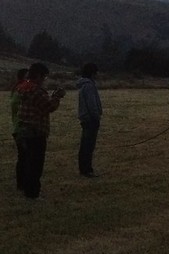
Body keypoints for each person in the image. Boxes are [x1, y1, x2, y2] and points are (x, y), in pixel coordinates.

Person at [15, 62, 64, 200]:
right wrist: (57, 96)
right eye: (44, 77)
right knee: (36, 163)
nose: (44, 80)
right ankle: (32, 193)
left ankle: (24, 187)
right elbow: (48, 107)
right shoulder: (36, 90)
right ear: (38, 75)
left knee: (26, 160)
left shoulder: (22, 87)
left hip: (23, 129)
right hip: (36, 131)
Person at [76, 62, 103, 177]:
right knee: (88, 145)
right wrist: (96, 117)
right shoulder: (89, 86)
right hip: (90, 119)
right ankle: (86, 169)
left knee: (85, 144)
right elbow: (92, 104)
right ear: (92, 73)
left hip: (85, 118)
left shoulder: (84, 85)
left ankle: (85, 168)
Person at [10, 67, 27, 192]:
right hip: (21, 128)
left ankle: (21, 183)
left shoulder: (16, 90)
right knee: (24, 157)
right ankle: (22, 183)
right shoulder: (21, 92)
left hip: (18, 127)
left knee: (23, 157)